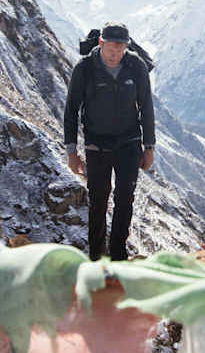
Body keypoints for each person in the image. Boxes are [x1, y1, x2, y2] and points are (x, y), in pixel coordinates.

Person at [62, 22, 156, 260]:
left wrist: (149, 147)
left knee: (125, 198)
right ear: (101, 43)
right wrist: (71, 151)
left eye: (120, 48)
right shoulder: (84, 68)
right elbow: (71, 109)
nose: (115, 54)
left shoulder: (136, 66)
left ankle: (118, 255)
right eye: (111, 48)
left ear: (126, 46)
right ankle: (96, 257)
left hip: (129, 142)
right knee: (98, 200)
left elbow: (146, 107)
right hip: (97, 145)